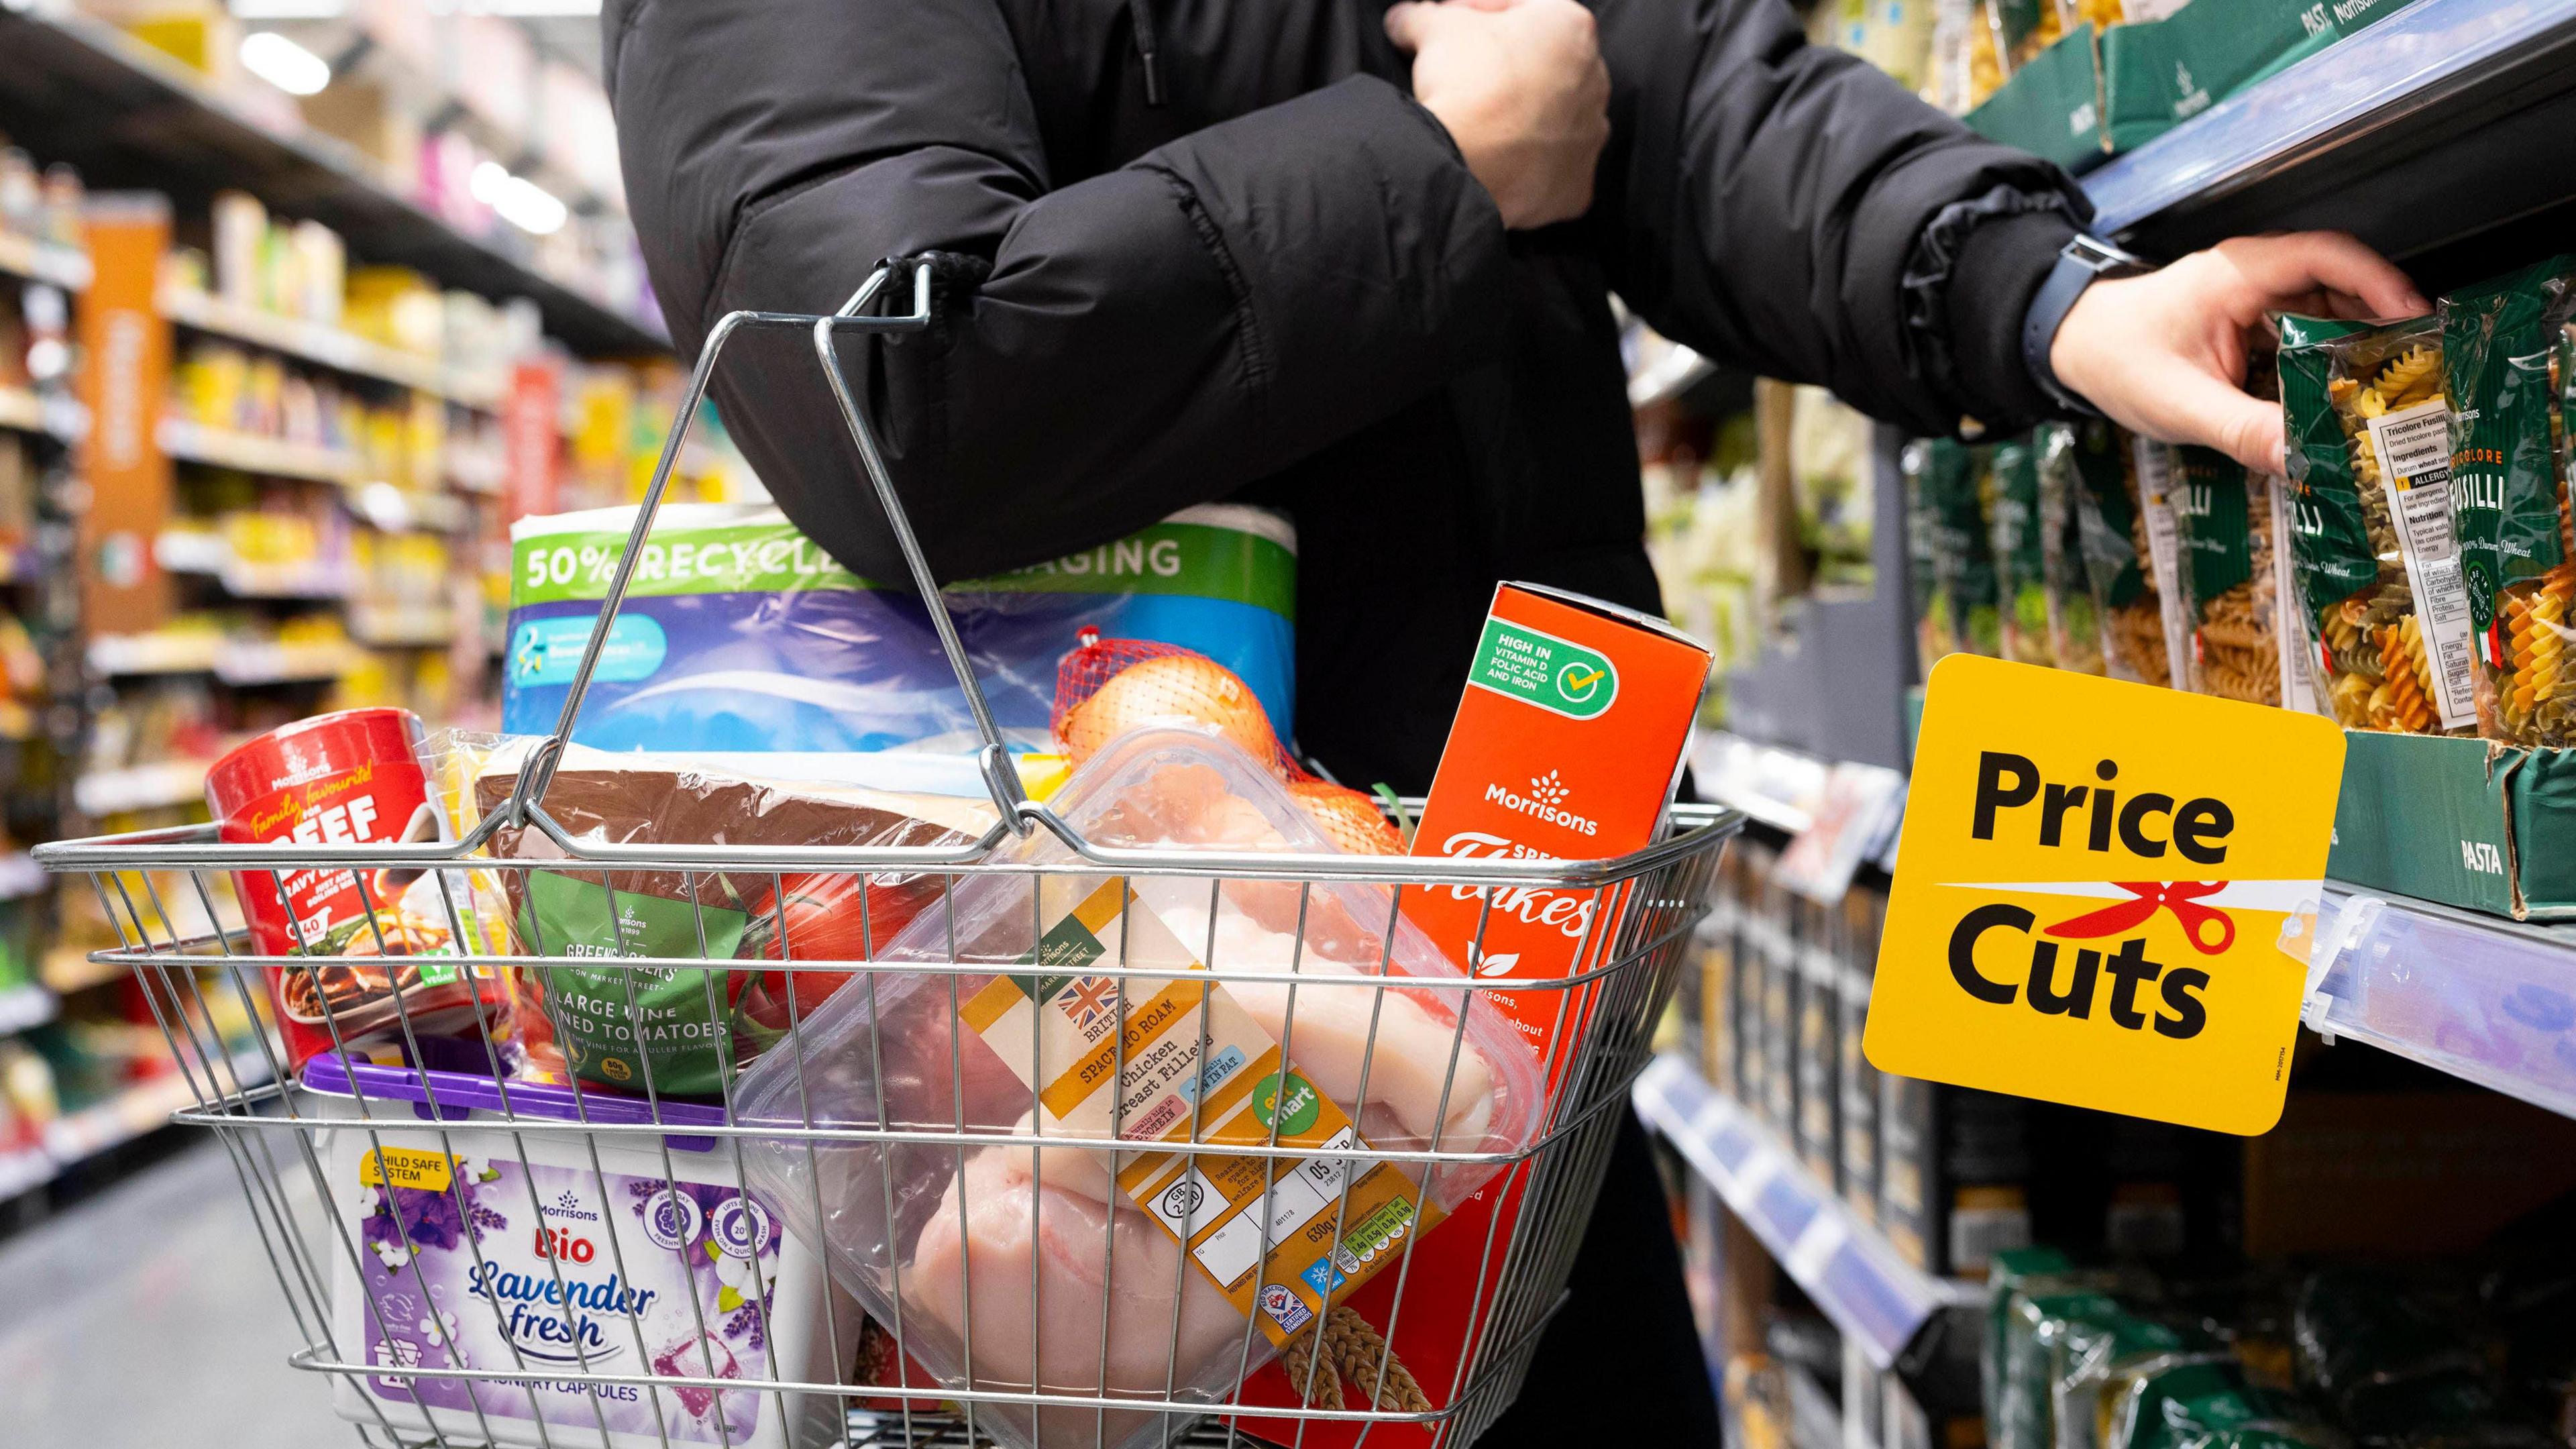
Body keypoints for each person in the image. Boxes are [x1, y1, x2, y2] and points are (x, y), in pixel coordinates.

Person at [602, 1, 2424, 1442]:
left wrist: (2037, 290)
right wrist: (1441, 170)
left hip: (1485, 958)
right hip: (1032, 1052)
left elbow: (1676, 84)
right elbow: (889, 369)